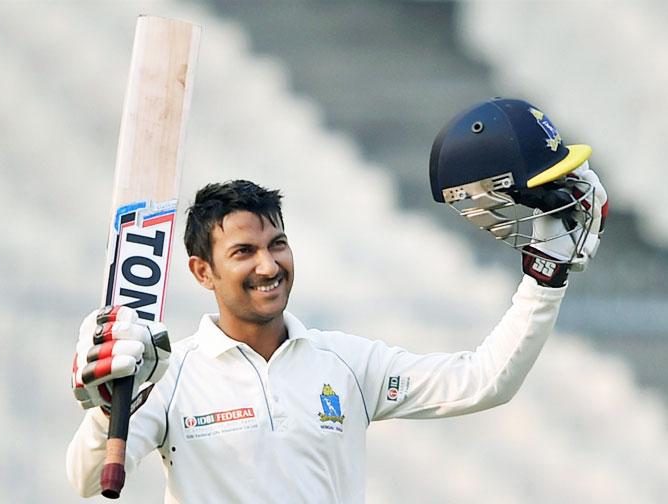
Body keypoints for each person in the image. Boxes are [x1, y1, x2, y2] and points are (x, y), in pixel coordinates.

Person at [67, 98, 608, 503]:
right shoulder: (169, 375)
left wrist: (546, 278)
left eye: (277, 244)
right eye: (244, 252)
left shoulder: (345, 364)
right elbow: (88, 480)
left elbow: (484, 381)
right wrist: (107, 411)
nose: (268, 265)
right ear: (202, 271)